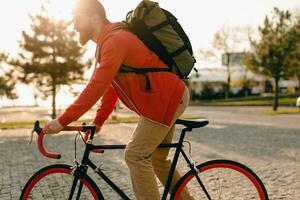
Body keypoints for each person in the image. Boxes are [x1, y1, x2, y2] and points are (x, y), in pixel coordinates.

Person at [45, 0, 193, 199]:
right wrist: (98, 122)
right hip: (164, 101)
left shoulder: (115, 41)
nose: (74, 26)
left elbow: (96, 87)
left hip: (166, 100)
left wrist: (62, 120)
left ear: (95, 18)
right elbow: (110, 88)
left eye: (77, 19)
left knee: (135, 155)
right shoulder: (111, 41)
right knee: (158, 160)